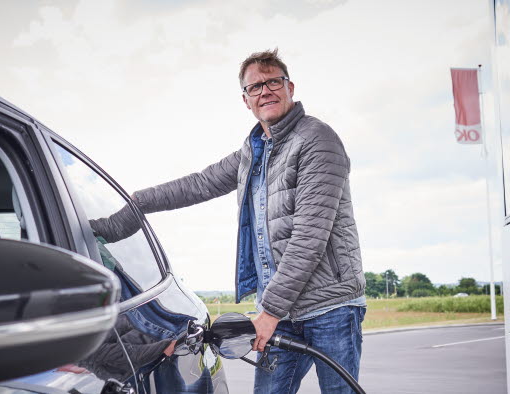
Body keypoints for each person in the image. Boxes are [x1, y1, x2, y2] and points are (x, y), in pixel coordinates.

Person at [91, 49, 366, 393]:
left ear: (290, 87)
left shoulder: (317, 139)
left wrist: (269, 312)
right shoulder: (253, 150)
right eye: (255, 87)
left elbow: (309, 237)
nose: (265, 91)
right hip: (282, 311)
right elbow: (199, 183)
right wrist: (135, 206)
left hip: (330, 307)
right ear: (246, 100)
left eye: (273, 82)